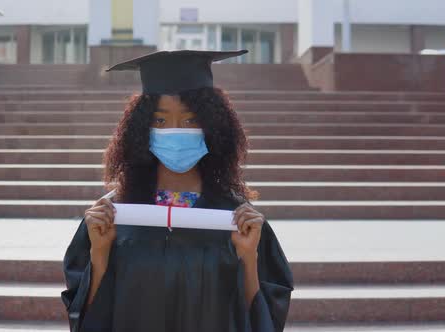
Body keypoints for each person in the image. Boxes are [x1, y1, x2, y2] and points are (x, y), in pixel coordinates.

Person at [61, 50, 294, 332]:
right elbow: (87, 319)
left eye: (190, 120)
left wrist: (247, 257)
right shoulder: (115, 215)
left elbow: (262, 321)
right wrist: (100, 254)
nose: (174, 131)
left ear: (213, 127)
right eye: (159, 121)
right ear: (141, 129)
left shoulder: (237, 219)